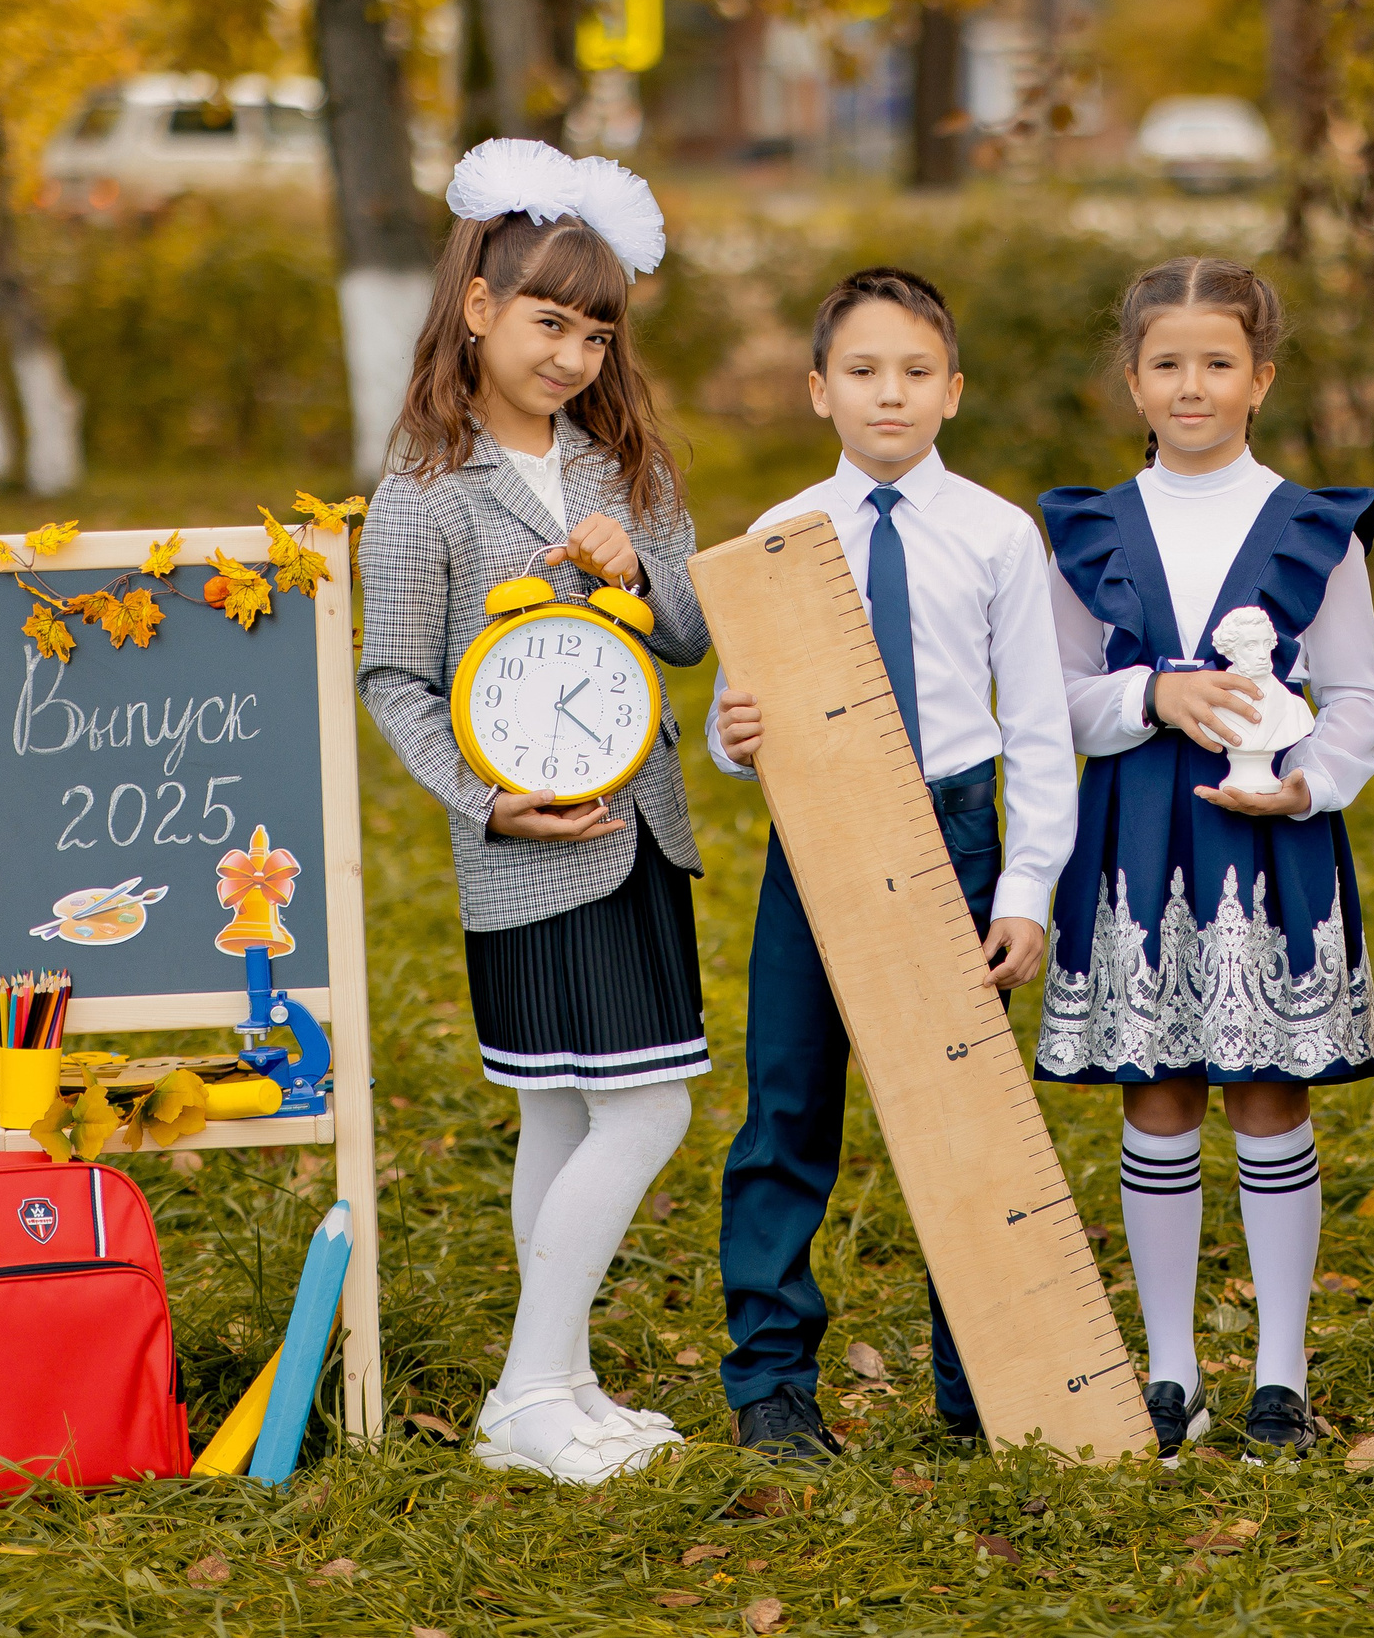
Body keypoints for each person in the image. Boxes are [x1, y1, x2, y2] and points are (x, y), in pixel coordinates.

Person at [358, 138, 708, 1485]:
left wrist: (638, 572)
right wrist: (486, 803)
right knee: (641, 1111)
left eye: (599, 330)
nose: (574, 352)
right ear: (482, 307)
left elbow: (684, 635)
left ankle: (559, 1382)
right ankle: (527, 1385)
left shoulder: (624, 471)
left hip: (640, 836)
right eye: (552, 320)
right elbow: (393, 676)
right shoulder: (425, 497)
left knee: (573, 1115)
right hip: (525, 854)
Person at [709, 267, 1077, 1459]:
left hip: (952, 832)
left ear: (953, 390)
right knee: (787, 1101)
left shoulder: (996, 535)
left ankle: (983, 1384)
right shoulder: (775, 542)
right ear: (820, 389)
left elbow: (1037, 730)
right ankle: (771, 1378)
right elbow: (733, 724)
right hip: (814, 834)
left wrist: (1024, 889)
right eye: (863, 372)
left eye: (916, 372)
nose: (889, 395)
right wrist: (734, 738)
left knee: (962, 1116)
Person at [1038, 257, 1374, 1461]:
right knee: (1160, 1087)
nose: (1192, 386)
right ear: (1134, 380)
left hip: (1269, 835)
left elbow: (1357, 695)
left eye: (1218, 363)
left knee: (1266, 1086)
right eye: (1167, 364)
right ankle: (1174, 1366)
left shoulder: (1312, 527)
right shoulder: (1088, 529)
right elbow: (1059, 703)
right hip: (1138, 830)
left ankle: (1280, 1373)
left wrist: (1311, 783)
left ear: (1262, 377)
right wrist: (1156, 691)